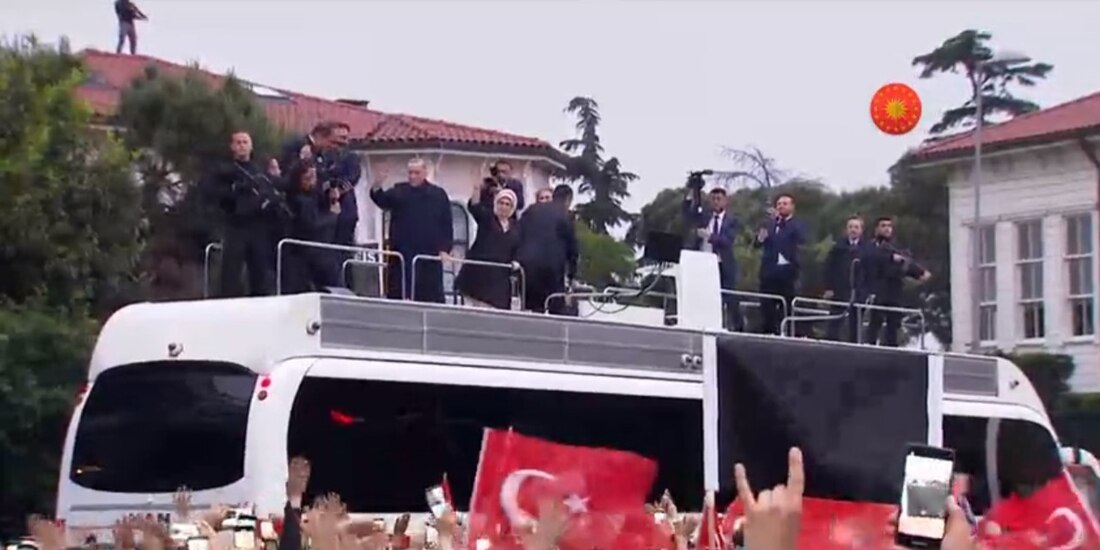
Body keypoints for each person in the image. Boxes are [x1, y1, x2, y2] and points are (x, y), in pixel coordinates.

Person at [209, 131, 284, 297]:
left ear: (251, 146)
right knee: (231, 273)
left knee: (260, 272)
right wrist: (237, 189)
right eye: (238, 142)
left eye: (245, 142)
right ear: (232, 147)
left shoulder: (259, 170)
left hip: (258, 226)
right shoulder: (224, 169)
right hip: (235, 225)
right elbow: (214, 193)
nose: (242, 146)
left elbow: (272, 190)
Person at [369, 158, 453, 303]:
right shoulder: (400, 190)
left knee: (429, 295)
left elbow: (446, 224)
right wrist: (378, 183)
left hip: (428, 254)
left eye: (417, 173)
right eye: (410, 173)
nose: (413, 176)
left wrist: (445, 248)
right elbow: (381, 199)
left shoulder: (438, 195)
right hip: (402, 252)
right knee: (399, 291)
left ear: (425, 172)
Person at [682, 186, 743, 331]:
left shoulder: (731, 221)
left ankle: (737, 328)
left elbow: (727, 241)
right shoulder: (705, 217)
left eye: (719, 199)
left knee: (729, 298)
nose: (715, 202)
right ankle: (703, 325)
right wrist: (689, 198)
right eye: (713, 199)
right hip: (704, 263)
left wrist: (710, 237)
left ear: (725, 201)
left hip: (723, 263)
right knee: (704, 297)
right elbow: (688, 216)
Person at [864, 216, 931, 347]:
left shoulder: (896, 247)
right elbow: (871, 258)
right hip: (878, 289)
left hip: (894, 290)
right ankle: (869, 345)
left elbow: (905, 263)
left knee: (893, 323)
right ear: (876, 229)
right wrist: (890, 257)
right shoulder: (871, 246)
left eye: (889, 226)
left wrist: (919, 273)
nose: (887, 229)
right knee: (875, 321)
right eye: (883, 226)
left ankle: (891, 347)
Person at [455, 182, 520, 309]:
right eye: (501, 203)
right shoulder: (487, 218)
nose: (504, 207)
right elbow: (474, 207)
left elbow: (518, 247)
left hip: (499, 278)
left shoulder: (516, 227)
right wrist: (476, 189)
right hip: (478, 275)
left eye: (507, 204)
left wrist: (517, 261)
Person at [516, 184, 578, 315]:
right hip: (552, 270)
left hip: (528, 267)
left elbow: (518, 234)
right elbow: (572, 248)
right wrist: (572, 274)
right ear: (568, 200)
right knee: (556, 310)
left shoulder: (531, 210)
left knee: (533, 310)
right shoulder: (565, 215)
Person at [282, 162, 340, 294]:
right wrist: (332, 215)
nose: (312, 182)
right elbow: (311, 224)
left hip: (317, 251)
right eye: (308, 178)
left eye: (314, 177)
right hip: (307, 254)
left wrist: (330, 199)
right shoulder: (299, 200)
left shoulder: (313, 196)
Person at [753, 193, 805, 335]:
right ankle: (768, 334)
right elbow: (757, 244)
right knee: (767, 309)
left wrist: (781, 223)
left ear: (792, 207)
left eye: (785, 204)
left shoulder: (796, 225)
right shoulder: (769, 224)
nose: (781, 206)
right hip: (768, 274)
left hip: (786, 275)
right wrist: (760, 238)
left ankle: (786, 335)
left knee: (785, 309)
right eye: (779, 204)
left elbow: (799, 240)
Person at [822, 215, 874, 342]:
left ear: (861, 230)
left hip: (859, 292)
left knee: (855, 324)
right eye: (850, 227)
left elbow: (871, 271)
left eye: (856, 227)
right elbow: (829, 267)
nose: (853, 230)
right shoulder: (838, 247)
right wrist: (828, 287)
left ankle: (854, 347)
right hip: (840, 290)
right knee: (834, 321)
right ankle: (831, 345)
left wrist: (870, 291)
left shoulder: (867, 248)